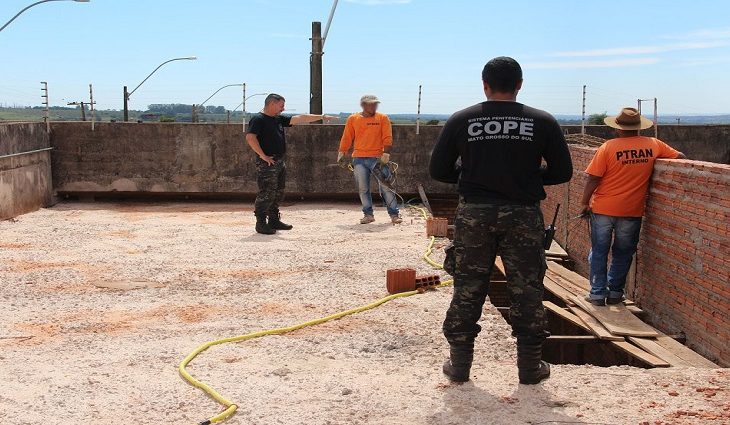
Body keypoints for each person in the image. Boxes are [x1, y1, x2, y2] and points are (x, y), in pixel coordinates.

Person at [429, 56, 573, 385]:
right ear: (520, 85)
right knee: (526, 288)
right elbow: (563, 172)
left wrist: (473, 173)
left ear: (485, 85)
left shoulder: (462, 119)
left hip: (475, 213)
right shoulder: (543, 121)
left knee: (468, 287)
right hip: (523, 214)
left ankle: (460, 365)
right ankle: (529, 368)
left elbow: (438, 170)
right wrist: (527, 175)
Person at [580, 107, 685, 306]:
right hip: (631, 211)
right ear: (639, 128)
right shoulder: (653, 145)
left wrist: (585, 203)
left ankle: (597, 293)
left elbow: (593, 178)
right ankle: (615, 293)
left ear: (618, 128)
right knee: (623, 252)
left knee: (599, 251)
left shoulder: (608, 147)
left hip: (603, 208)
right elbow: (680, 157)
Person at [246, 93, 337, 235]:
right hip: (267, 162)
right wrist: (262, 156)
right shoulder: (258, 119)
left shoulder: (277, 119)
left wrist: (322, 116)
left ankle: (274, 220)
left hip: (279, 161)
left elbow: (301, 118)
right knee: (266, 192)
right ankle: (261, 222)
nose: (283, 109)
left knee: (278, 192)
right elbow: (250, 138)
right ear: (271, 104)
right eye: (281, 105)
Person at [338, 95, 402, 224]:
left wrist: (386, 154)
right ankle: (368, 215)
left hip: (377, 158)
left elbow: (387, 137)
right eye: (370, 104)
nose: (373, 106)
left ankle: (394, 215)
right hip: (359, 158)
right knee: (363, 188)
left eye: (375, 104)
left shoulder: (382, 118)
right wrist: (342, 152)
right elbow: (347, 137)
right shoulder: (353, 119)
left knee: (386, 187)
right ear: (363, 105)